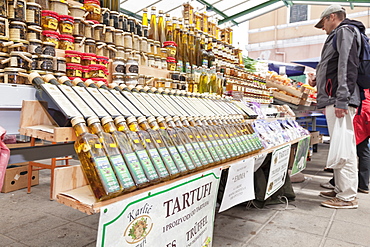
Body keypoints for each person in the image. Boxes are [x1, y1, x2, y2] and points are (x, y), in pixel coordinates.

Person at [308, 4, 362, 209]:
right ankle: (340, 189)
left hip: (340, 100)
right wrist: (317, 79)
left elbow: (347, 65)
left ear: (332, 17)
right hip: (335, 98)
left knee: (345, 147)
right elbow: (333, 65)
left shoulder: (344, 32)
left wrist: (341, 100)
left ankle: (347, 196)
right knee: (340, 145)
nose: (323, 28)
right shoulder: (339, 34)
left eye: (323, 23)